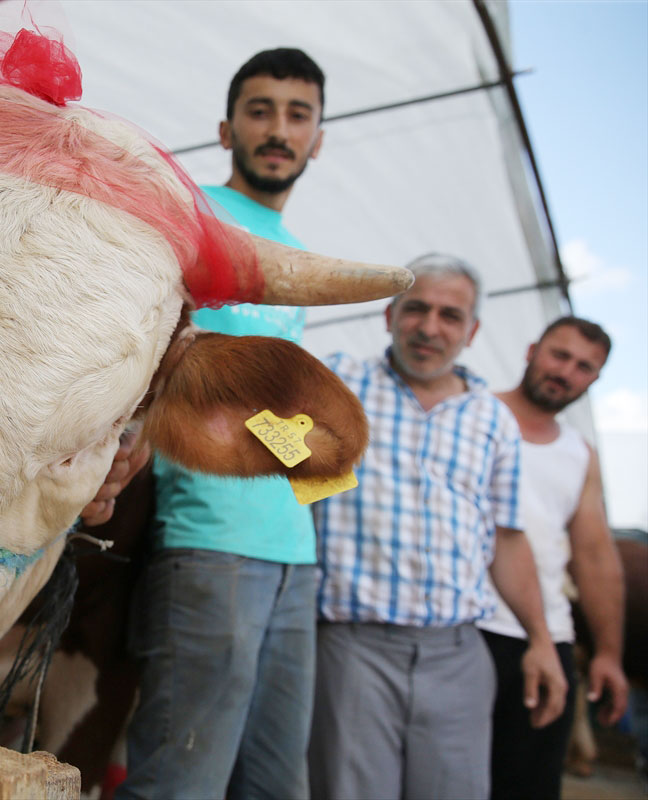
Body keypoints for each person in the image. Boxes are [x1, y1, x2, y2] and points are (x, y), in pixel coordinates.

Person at [117, 48, 326, 800]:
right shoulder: (189, 217)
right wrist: (313, 453)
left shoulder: (299, 256)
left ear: (318, 137)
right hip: (209, 545)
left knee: (277, 789)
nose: (279, 130)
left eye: (298, 115)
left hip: (296, 559)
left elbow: (269, 404)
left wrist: (311, 465)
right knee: (181, 784)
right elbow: (168, 361)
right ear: (227, 126)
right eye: (260, 110)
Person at [308, 254, 569, 800]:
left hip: (458, 656)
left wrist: (541, 640)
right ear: (388, 316)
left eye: (451, 316)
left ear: (472, 332)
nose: (430, 327)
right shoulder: (336, 382)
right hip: (353, 650)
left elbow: (507, 538)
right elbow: (269, 448)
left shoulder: (492, 417)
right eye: (416, 309)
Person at [479, 316, 629, 800]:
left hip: (546, 641)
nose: (566, 372)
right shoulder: (470, 412)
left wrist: (607, 653)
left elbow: (594, 557)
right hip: (461, 630)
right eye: (559, 355)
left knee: (529, 786)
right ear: (530, 350)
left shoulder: (579, 454)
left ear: (596, 380)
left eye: (584, 367)